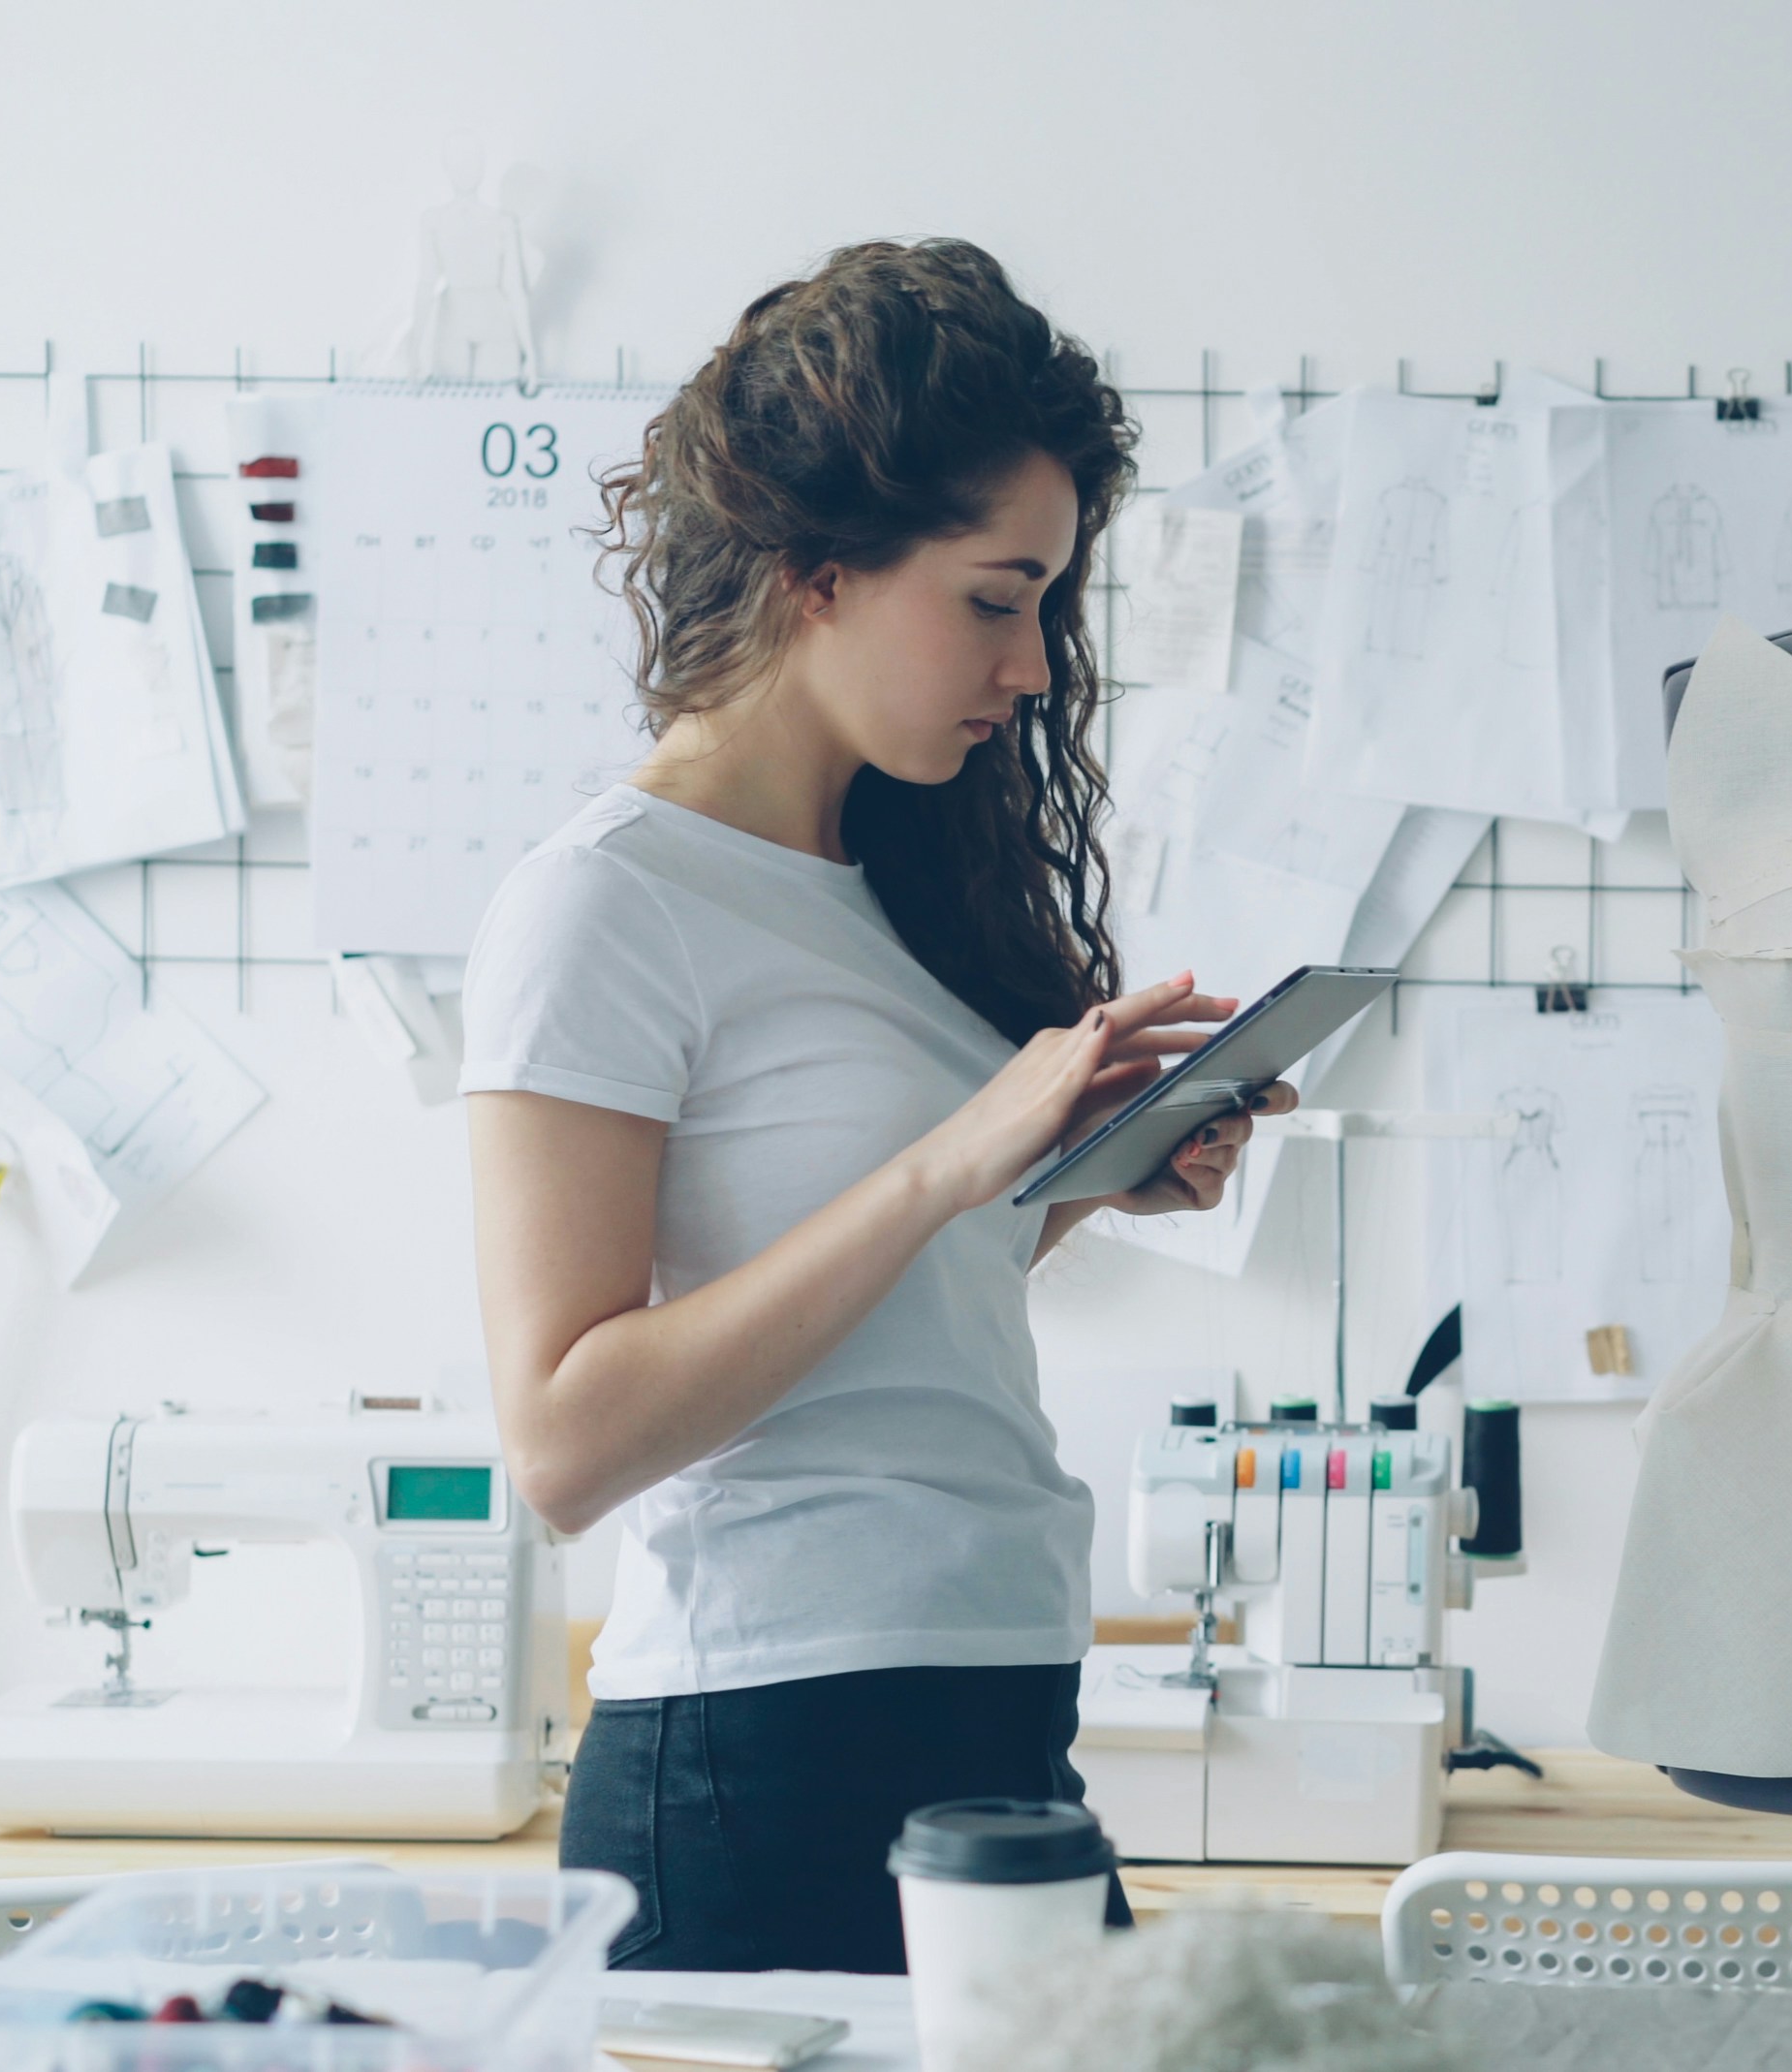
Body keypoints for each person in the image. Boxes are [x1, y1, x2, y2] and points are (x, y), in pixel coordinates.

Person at [456, 239, 1286, 1970]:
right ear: (815, 567)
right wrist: (953, 1166)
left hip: (994, 1706)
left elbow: (876, 1324)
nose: (1037, 666)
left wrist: (1068, 1188)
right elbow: (563, 1440)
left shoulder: (893, 874)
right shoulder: (602, 902)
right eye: (995, 597)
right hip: (760, 1755)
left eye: (1049, 604)